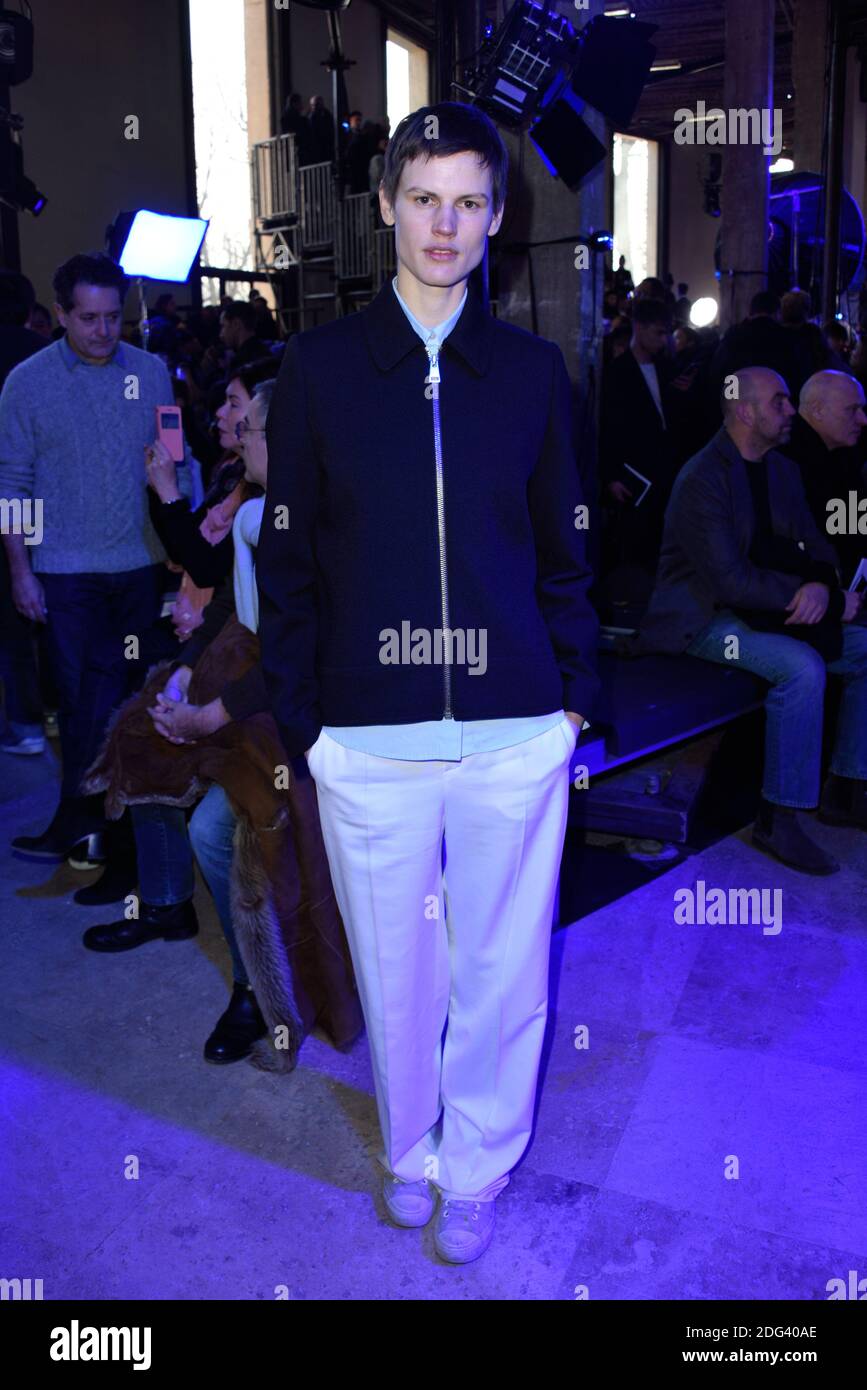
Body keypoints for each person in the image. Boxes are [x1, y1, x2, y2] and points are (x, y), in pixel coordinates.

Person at [257, 100, 599, 1264]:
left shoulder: (536, 372)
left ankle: (481, 1168)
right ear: (388, 208)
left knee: (503, 971)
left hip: (515, 727)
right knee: (400, 972)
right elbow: (287, 554)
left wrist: (574, 697)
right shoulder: (318, 369)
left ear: (495, 216)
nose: (443, 224)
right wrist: (306, 721)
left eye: (467, 202)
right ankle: (412, 1153)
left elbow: (568, 542)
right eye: (422, 199)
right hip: (370, 735)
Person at [0, 251, 196, 860]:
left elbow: (174, 458)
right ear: (59, 314)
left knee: (131, 699)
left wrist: (184, 544)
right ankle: (80, 819)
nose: (104, 332)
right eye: (88, 318)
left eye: (114, 318)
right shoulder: (26, 383)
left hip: (139, 565)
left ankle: (111, 834)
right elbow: (12, 485)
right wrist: (21, 570)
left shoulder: (151, 373)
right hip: (64, 573)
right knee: (82, 697)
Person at [632, 367, 867, 873]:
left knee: (865, 650)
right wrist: (808, 593)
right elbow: (730, 582)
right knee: (802, 668)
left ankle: (847, 787)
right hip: (705, 619)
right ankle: (779, 816)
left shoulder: (782, 470)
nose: (790, 412)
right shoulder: (703, 478)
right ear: (746, 411)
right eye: (781, 403)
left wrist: (823, 585)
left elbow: (817, 545)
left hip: (767, 611)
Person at [779, 370, 867, 587]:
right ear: (817, 410)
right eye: (852, 410)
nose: (863, 419)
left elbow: (854, 522)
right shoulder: (786, 464)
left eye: (862, 409)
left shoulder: (842, 451)